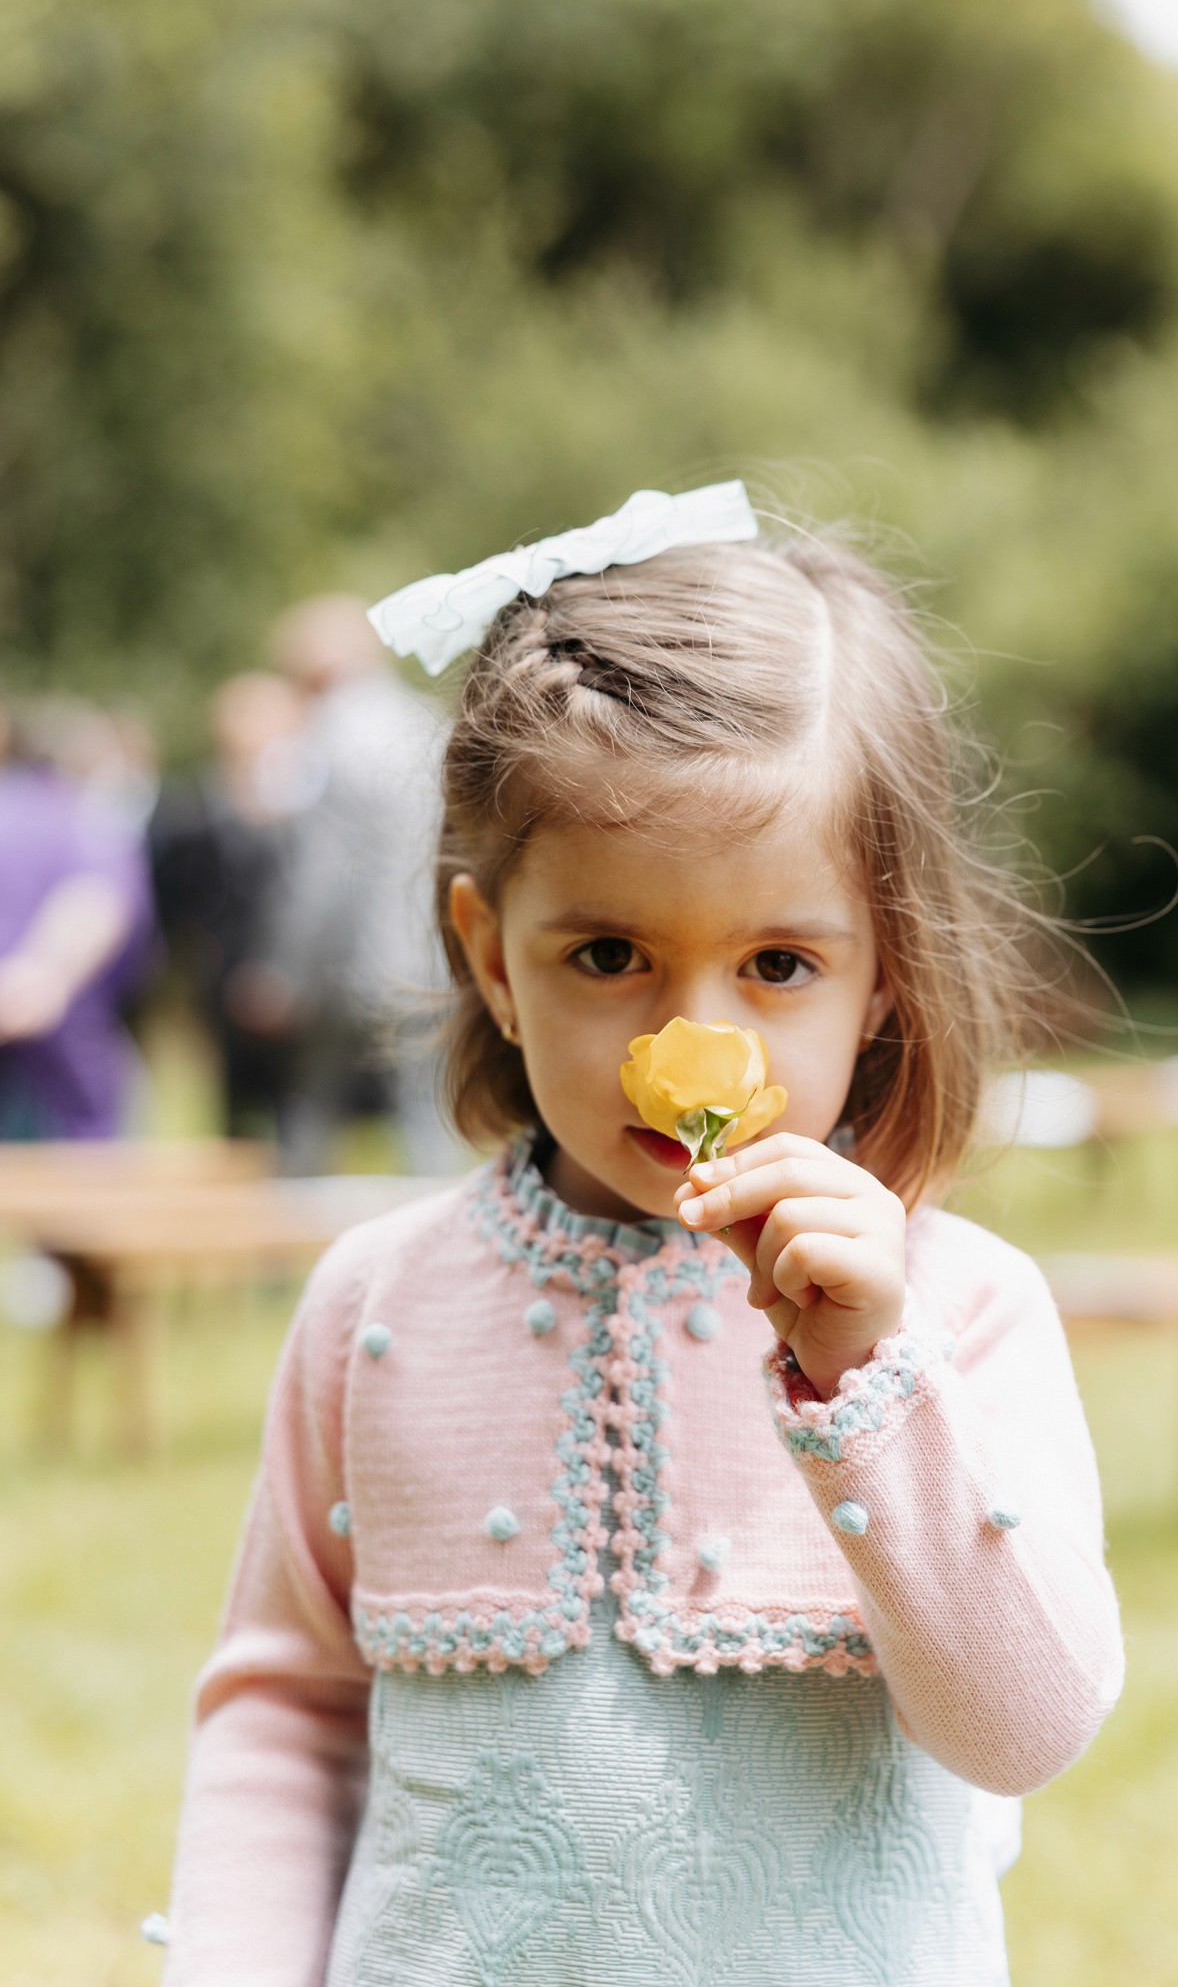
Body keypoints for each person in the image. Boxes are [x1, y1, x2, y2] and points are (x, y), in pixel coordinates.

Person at [156, 485, 1124, 1985]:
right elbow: (286, 1715)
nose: (694, 1041)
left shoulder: (959, 1311)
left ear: (881, 976)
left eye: (777, 962)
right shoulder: (373, 1307)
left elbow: (1026, 1730)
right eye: (608, 955)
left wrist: (868, 1385)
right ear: (488, 954)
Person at [261, 595, 454, 1174]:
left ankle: (285, 1257)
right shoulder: (426, 722)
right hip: (430, 957)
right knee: (427, 1119)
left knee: (313, 1110)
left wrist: (285, 972)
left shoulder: (328, 737)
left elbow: (318, 874)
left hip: (349, 969)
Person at [149, 672, 309, 1139]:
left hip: (290, 978)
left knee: (296, 1108)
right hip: (220, 972)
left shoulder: (306, 801)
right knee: (234, 1112)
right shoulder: (192, 806)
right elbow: (172, 895)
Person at [0, 702, 155, 1140]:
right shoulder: (74, 815)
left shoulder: (57, 815)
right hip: (61, 1036)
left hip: (57, 1045)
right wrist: (44, 974)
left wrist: (45, 973)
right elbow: (102, 898)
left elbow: (96, 899)